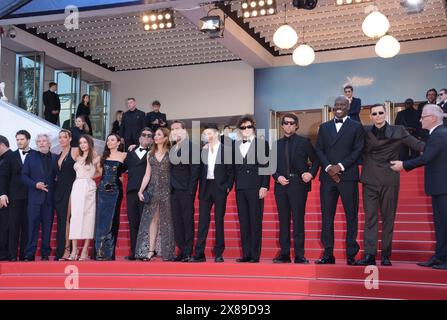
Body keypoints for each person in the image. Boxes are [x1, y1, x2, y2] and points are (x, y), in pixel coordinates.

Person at [357, 104, 425, 266]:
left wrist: (439, 147)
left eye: (381, 113)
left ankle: (386, 255)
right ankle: (370, 255)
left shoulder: (398, 130)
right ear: (371, 116)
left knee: (388, 219)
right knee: (370, 219)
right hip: (369, 180)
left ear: (386, 114)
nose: (378, 116)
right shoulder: (364, 131)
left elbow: (418, 145)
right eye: (375, 113)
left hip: (390, 180)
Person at [391, 105, 447, 270]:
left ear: (433, 118)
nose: (420, 119)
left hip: (443, 187)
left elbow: (427, 157)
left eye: (423, 117)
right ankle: (439, 256)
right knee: (440, 224)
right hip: (439, 187)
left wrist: (404, 164)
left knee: (444, 223)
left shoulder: (439, 135)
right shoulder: (437, 134)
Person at [315, 96, 365, 265]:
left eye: (342, 104)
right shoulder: (324, 127)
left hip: (348, 176)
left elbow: (358, 150)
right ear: (332, 107)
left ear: (348, 106)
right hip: (327, 177)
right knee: (327, 216)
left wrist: (341, 166)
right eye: (336, 105)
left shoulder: (357, 127)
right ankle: (328, 254)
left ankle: (351, 254)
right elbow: (319, 150)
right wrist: (329, 167)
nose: (339, 107)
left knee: (351, 216)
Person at [272, 113, 319, 264]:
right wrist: (277, 177)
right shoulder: (276, 144)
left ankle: (299, 255)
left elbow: (316, 159)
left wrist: (311, 174)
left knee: (298, 220)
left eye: (292, 123)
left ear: (296, 126)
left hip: (298, 185)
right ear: (282, 125)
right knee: (283, 221)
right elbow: (271, 166)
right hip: (281, 186)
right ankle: (284, 254)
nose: (288, 125)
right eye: (286, 123)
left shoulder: (304, 142)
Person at [190, 124, 234, 263]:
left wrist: (227, 186)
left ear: (216, 134)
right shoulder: (202, 150)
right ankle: (199, 253)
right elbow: (197, 170)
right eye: (205, 134)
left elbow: (231, 171)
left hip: (219, 187)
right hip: (205, 187)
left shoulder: (226, 150)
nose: (207, 136)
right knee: (203, 221)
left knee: (219, 220)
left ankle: (219, 253)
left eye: (209, 133)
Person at [233, 115, 271, 263]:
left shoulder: (262, 144)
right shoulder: (235, 145)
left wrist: (264, 185)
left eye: (248, 127)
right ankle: (246, 254)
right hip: (241, 187)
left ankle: (255, 255)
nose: (246, 130)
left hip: (255, 187)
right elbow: (233, 169)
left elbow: (266, 167)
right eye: (242, 127)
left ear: (253, 128)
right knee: (244, 222)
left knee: (255, 221)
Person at [135, 127, 175, 261]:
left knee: (167, 220)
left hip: (167, 190)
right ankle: (150, 250)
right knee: (153, 219)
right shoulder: (149, 154)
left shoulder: (171, 153)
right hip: (152, 190)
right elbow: (147, 174)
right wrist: (141, 190)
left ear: (165, 138)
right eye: (155, 135)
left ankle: (167, 251)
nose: (155, 137)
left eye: (159, 135)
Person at [21, 133, 58, 261]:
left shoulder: (55, 158)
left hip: (49, 199)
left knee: (47, 227)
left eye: (44, 141)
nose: (42, 143)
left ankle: (45, 253)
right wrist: (35, 184)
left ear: (49, 143)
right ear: (37, 144)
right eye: (39, 141)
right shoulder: (30, 157)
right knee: (32, 226)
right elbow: (24, 176)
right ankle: (29, 253)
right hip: (34, 198)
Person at [169, 121, 200, 262]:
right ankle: (181, 250)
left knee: (187, 221)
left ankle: (188, 251)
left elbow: (195, 170)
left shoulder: (192, 147)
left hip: (186, 190)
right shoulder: (172, 148)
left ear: (183, 130)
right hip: (173, 190)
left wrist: (191, 190)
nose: (175, 131)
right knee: (177, 221)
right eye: (172, 129)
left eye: (177, 129)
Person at [95, 133, 127, 261]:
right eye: (108, 140)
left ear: (119, 142)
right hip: (102, 190)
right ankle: (99, 252)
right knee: (101, 220)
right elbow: (98, 172)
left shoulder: (124, 156)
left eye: (112, 140)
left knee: (112, 219)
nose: (109, 142)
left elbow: (122, 176)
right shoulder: (102, 156)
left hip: (115, 191)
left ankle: (108, 253)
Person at [68, 135, 101, 261]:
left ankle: (85, 250)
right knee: (75, 217)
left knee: (89, 217)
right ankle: (74, 249)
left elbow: (100, 172)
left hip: (88, 188)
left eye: (85, 142)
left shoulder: (96, 156)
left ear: (90, 143)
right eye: (80, 142)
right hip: (76, 187)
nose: (82, 145)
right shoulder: (78, 156)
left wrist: (90, 177)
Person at [0, 130, 31, 261]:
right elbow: (4, 177)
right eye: (17, 139)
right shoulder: (10, 156)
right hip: (14, 196)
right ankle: (12, 255)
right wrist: (2, 194)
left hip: (30, 196)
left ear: (28, 140)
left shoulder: (34, 155)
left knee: (27, 226)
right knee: (13, 226)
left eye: (22, 139)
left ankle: (25, 254)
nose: (19, 142)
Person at [123, 127, 153, 260]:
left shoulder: (153, 153)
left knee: (145, 222)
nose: (146, 137)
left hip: (147, 192)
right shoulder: (130, 152)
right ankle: (134, 251)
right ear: (139, 137)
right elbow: (122, 168)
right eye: (144, 135)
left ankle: (145, 251)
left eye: (149, 135)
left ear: (152, 139)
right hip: (131, 192)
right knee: (133, 221)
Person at [54, 130, 79, 261]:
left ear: (70, 138)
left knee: (67, 219)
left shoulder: (75, 150)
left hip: (71, 188)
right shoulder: (58, 154)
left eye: (65, 137)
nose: (62, 139)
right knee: (62, 220)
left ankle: (67, 250)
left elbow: (92, 155)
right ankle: (61, 249)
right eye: (60, 137)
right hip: (59, 190)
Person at [0, 135, 11, 260]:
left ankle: (4, 253)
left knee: (4, 227)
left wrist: (3, 194)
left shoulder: (11, 157)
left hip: (7, 199)